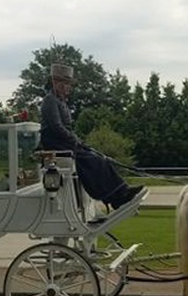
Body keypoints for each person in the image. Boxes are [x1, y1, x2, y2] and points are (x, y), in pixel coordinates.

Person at [39, 63, 144, 209]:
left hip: (65, 142)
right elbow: (56, 127)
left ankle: (120, 193)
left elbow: (66, 128)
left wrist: (76, 139)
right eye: (67, 84)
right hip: (58, 144)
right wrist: (74, 139)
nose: (69, 87)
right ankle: (116, 196)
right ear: (57, 83)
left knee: (102, 159)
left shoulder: (60, 101)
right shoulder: (50, 101)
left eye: (69, 84)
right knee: (95, 161)